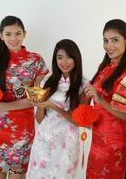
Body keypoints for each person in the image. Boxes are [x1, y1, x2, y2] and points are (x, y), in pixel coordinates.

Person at [0, 16, 49, 179]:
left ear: (24, 34)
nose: (13, 38)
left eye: (18, 33)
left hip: (22, 128)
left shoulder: (35, 61)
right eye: (8, 34)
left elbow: (38, 98)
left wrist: (6, 106)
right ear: (1, 35)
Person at [26, 39, 90, 179]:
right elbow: (39, 119)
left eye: (68, 57)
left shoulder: (84, 85)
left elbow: (79, 122)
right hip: (43, 140)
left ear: (76, 58)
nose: (64, 62)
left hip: (66, 144)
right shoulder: (47, 81)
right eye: (60, 57)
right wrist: (41, 105)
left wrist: (53, 106)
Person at [85, 19, 126, 179]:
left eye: (115, 40)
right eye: (105, 41)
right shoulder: (105, 68)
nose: (109, 46)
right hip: (97, 139)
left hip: (115, 144)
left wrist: (100, 100)